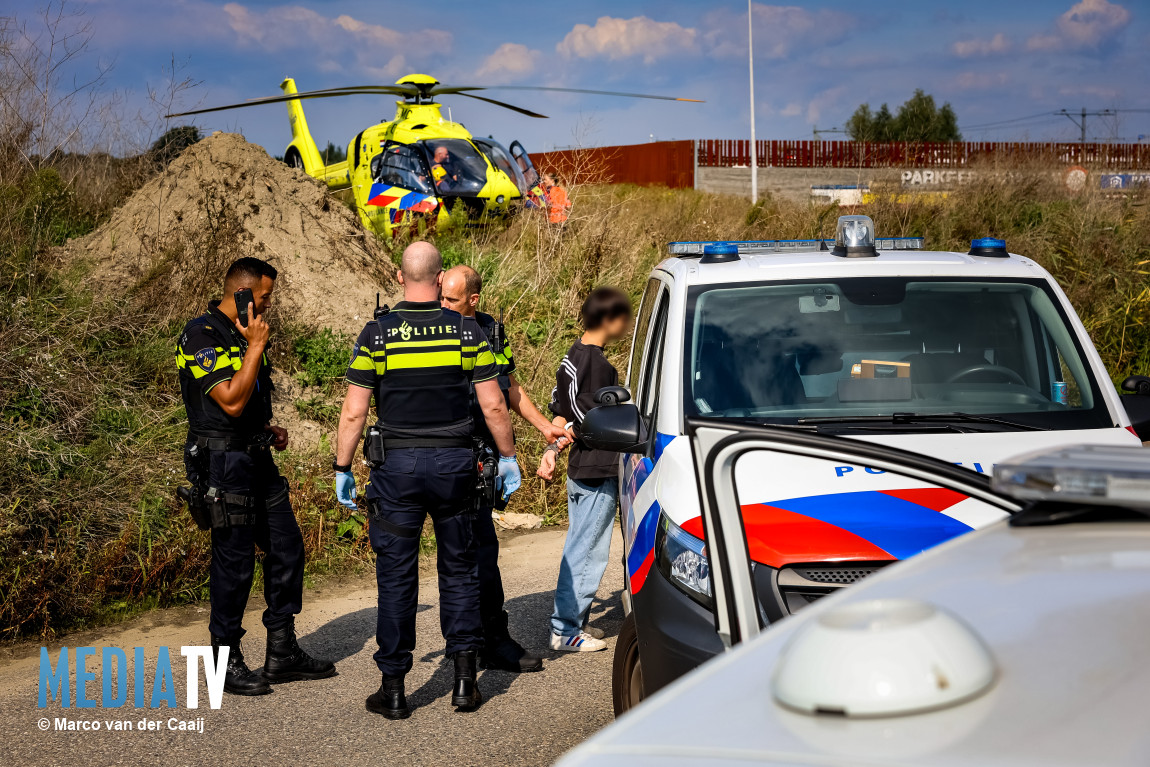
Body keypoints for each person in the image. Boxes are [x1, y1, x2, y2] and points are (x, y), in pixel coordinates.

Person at [333, 242, 522, 719]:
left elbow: (355, 411)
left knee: (396, 578)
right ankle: (464, 683)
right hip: (455, 467)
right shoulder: (465, 330)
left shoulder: (376, 334)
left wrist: (342, 468)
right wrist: (508, 456)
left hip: (395, 471)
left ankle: (394, 689)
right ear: (439, 280)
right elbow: (494, 403)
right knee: (459, 571)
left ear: (400, 277)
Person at [176, 257, 335, 696]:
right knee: (235, 565)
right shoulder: (200, 334)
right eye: (263, 297)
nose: (267, 306)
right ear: (241, 293)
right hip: (223, 465)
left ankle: (282, 652)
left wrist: (265, 426)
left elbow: (246, 403)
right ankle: (222, 664)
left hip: (256, 458)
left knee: (287, 548)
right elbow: (227, 400)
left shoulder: (243, 333)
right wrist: (256, 348)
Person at [440, 265, 570, 673]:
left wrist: (543, 426)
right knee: (460, 552)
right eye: (440, 296)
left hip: (481, 455)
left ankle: (488, 639)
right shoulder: (433, 330)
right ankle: (467, 642)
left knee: (482, 550)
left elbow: (508, 387)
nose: (442, 305)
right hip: (444, 455)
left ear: (472, 300)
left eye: (451, 299)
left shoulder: (491, 330)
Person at [538, 287, 633, 652]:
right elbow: (585, 418)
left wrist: (552, 447)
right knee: (588, 549)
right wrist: (569, 435)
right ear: (609, 320)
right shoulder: (595, 362)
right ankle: (565, 630)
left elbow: (561, 412)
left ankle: (572, 623)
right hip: (595, 466)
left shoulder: (572, 357)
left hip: (584, 466)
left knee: (583, 544)